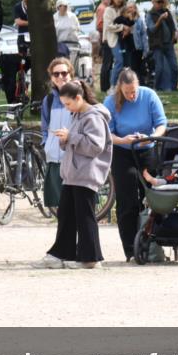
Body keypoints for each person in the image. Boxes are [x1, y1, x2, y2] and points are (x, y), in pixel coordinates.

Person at [38, 80, 113, 270]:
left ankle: (90, 258)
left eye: (68, 103)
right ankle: (63, 252)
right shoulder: (77, 115)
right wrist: (65, 139)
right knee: (67, 214)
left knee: (84, 216)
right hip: (73, 173)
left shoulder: (93, 117)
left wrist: (70, 137)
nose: (66, 107)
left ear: (79, 98)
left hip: (86, 173)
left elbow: (95, 146)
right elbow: (76, 142)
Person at [104, 68, 167, 261]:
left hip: (147, 149)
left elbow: (161, 124)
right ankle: (131, 250)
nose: (132, 95)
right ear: (120, 89)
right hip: (123, 152)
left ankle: (155, 244)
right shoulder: (110, 102)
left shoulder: (149, 96)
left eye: (134, 91)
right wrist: (124, 140)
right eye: (127, 92)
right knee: (127, 201)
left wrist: (151, 137)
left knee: (153, 196)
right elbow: (107, 134)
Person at [40, 57, 74, 211]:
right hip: (54, 159)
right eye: (56, 74)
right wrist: (46, 145)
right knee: (61, 206)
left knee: (76, 204)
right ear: (51, 77)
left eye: (64, 73)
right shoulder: (48, 101)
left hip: (74, 158)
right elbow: (45, 127)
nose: (60, 77)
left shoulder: (79, 97)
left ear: (71, 74)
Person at [0, 0, 29, 104]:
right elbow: (18, 21)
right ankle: (20, 81)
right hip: (22, 38)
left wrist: (25, 22)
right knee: (20, 60)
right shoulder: (18, 7)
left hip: (33, 37)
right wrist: (30, 22)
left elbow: (22, 21)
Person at [147, 0, 178, 91]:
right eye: (158, 2)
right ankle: (157, 87)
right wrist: (160, 19)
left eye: (162, 1)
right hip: (157, 44)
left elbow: (173, 27)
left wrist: (173, 37)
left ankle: (173, 87)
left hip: (168, 43)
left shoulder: (167, 12)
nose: (160, 4)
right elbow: (152, 29)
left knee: (174, 66)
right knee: (159, 68)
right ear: (153, 2)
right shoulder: (150, 14)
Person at [102, 0, 128, 85]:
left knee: (125, 62)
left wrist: (128, 28)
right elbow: (108, 26)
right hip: (113, 40)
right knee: (119, 61)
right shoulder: (108, 10)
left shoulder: (124, 8)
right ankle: (112, 85)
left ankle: (121, 84)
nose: (120, 0)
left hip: (125, 40)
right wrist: (122, 27)